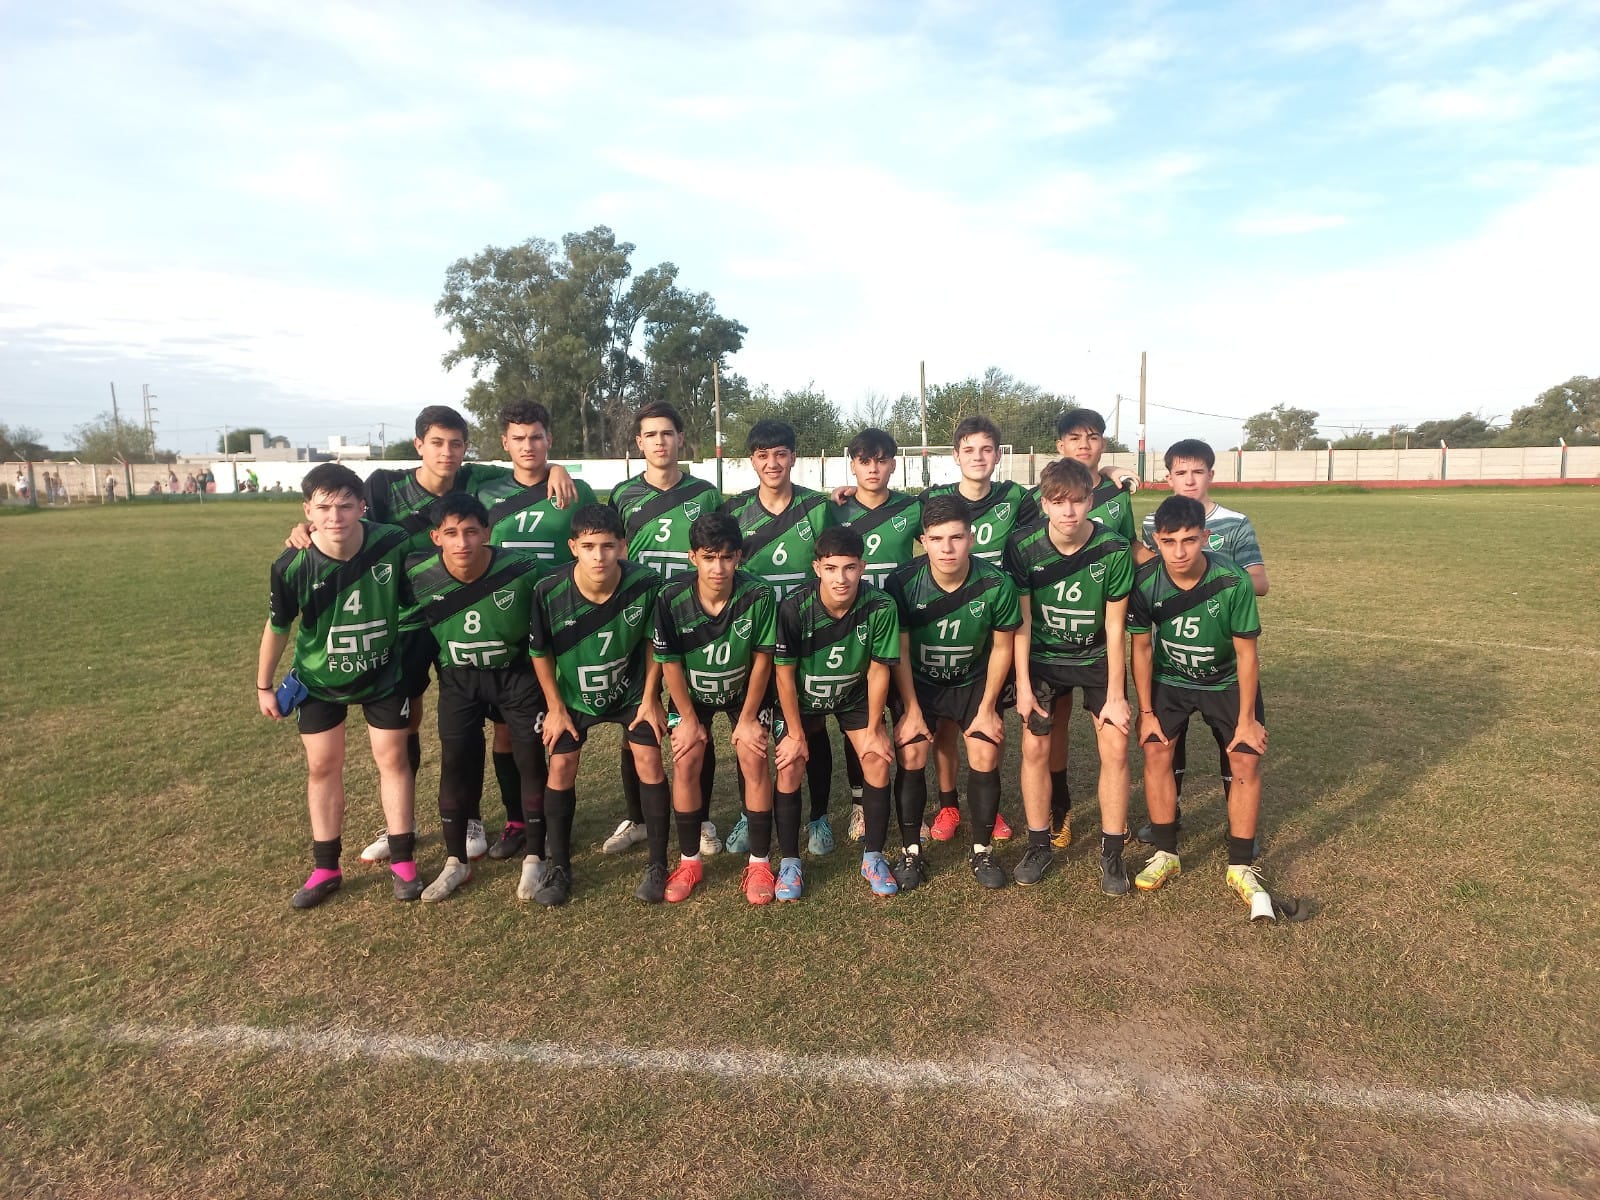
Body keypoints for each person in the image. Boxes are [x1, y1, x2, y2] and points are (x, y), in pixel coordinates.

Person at [284, 405, 573, 868]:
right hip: (406, 621)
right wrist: (305, 527)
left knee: (491, 718)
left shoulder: (474, 480)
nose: (447, 453)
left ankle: (478, 819)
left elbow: (526, 461)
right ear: (419, 445)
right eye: (437, 443)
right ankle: (402, 824)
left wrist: (556, 466)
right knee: (407, 722)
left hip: (465, 614)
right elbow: (343, 513)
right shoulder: (382, 486)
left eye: (456, 444)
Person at [255, 463, 419, 907]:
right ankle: (326, 868)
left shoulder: (393, 543)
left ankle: (403, 863)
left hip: (383, 674)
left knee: (393, 759)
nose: (335, 516)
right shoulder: (291, 564)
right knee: (322, 767)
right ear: (307, 509)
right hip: (319, 680)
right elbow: (278, 626)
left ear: (361, 506)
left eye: (345, 505)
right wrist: (263, 685)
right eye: (324, 507)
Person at [1128, 495, 1273, 920]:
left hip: (1225, 681)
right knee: (1156, 750)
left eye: (1189, 540)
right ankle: (1165, 852)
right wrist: (1147, 711)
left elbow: (1248, 655)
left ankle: (1241, 865)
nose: (1179, 552)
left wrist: (1247, 720)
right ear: (1156, 540)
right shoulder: (1145, 581)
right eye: (1169, 541)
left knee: (1245, 761)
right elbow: (1140, 649)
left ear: (1206, 538)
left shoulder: (1233, 582)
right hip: (1170, 681)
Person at [397, 494, 547, 903]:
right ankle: (455, 861)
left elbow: (573, 584)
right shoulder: (417, 574)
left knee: (530, 758)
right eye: (451, 533)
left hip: (516, 677)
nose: (461, 542)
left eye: (470, 532)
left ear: (487, 532)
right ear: (435, 537)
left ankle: (536, 853)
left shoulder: (523, 569)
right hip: (459, 680)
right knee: (455, 763)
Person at [469, 400, 597, 865]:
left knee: (565, 726)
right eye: (518, 438)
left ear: (549, 439)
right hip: (507, 628)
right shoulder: (485, 491)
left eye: (537, 437)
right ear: (504, 442)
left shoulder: (576, 489)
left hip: (565, 628)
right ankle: (520, 820)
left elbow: (602, 540)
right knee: (509, 733)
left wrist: (560, 470)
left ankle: (560, 818)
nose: (528, 446)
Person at [1006, 457, 1135, 893]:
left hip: (1096, 657)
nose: (1069, 512)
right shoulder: (1023, 546)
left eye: (1077, 502)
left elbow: (1116, 627)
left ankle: (1112, 851)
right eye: (1059, 503)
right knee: (1035, 746)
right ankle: (1039, 844)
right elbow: (1021, 622)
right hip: (1043, 659)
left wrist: (1117, 694)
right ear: (1043, 504)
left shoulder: (1114, 549)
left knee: (1115, 745)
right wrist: (1023, 686)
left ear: (1091, 501)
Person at [530, 504, 668, 905]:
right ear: (573, 546)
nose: (598, 556)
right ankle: (560, 867)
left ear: (622, 546)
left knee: (650, 759)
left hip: (629, 693)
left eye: (608, 546)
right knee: (561, 763)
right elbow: (541, 653)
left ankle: (657, 864)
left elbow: (653, 643)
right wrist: (555, 708)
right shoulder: (549, 590)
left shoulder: (646, 583)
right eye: (588, 546)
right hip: (573, 694)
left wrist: (650, 698)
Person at [1134, 438, 1270, 843]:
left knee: (1236, 747)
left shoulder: (1235, 523)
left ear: (1211, 474)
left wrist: (1223, 580)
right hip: (1173, 655)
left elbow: (1258, 580)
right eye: (1181, 472)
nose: (1189, 479)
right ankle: (1166, 818)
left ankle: (1239, 829)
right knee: (1163, 744)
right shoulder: (1150, 523)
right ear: (1169, 477)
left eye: (1197, 472)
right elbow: (1145, 569)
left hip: (1221, 641)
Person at [606, 402, 725, 859]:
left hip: (689, 620)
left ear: (680, 439)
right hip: (634, 618)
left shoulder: (705, 494)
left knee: (697, 722)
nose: (659, 441)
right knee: (637, 716)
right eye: (650, 434)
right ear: (639, 442)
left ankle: (704, 818)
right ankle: (636, 819)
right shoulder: (622, 495)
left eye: (667, 433)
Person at [884, 494, 1021, 890]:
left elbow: (1002, 647)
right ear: (923, 541)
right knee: (911, 749)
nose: (948, 548)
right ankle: (911, 852)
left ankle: (982, 852)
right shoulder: (903, 582)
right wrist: (910, 709)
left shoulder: (996, 583)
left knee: (985, 745)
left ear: (971, 538)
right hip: (923, 683)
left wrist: (988, 707)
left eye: (956, 537)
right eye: (937, 539)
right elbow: (902, 651)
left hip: (972, 682)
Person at [771, 525, 908, 900]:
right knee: (790, 763)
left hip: (853, 696)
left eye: (849, 568)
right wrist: (795, 734)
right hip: (801, 699)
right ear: (817, 568)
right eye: (831, 568)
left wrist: (877, 726)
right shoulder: (794, 607)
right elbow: (782, 676)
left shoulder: (880, 606)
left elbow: (880, 668)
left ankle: (873, 856)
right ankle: (789, 863)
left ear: (862, 567)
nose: (841, 578)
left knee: (877, 758)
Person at [919, 415, 1039, 842]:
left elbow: (1070, 493)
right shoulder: (933, 498)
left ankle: (990, 806)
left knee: (989, 723)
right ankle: (949, 804)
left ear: (998, 455)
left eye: (986, 449)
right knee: (946, 727)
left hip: (995, 623)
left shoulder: (1017, 498)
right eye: (969, 449)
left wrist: (1107, 472)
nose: (978, 457)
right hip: (948, 621)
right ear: (955, 455)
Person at [721, 419, 838, 855]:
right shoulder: (734, 511)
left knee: (810, 726)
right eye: (762, 454)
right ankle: (750, 816)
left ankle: (819, 817)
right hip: (750, 639)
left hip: (806, 636)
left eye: (781, 453)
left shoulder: (819, 507)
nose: (772, 462)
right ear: (752, 459)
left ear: (793, 456)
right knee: (749, 730)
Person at [652, 513, 778, 904]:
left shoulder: (759, 595)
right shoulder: (671, 597)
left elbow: (762, 659)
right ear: (693, 558)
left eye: (726, 557)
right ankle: (690, 861)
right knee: (686, 757)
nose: (718, 567)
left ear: (738, 556)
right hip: (693, 694)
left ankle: (760, 862)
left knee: (753, 754)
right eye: (709, 557)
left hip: (746, 692)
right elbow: (669, 661)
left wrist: (746, 720)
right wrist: (688, 719)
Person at [1036, 407, 1137, 847]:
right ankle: (1060, 808)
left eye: (1093, 437)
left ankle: (1115, 825)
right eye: (1075, 437)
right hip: (1052, 636)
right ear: (1060, 445)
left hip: (1102, 629)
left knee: (1114, 736)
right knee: (1053, 726)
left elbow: (1132, 549)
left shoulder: (1117, 495)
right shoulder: (1044, 495)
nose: (1084, 444)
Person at [829, 427, 922, 843]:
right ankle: (860, 804)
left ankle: (909, 804)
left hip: (900, 629)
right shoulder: (835, 511)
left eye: (881, 460)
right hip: (852, 630)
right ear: (853, 464)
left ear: (893, 464)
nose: (873, 468)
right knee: (860, 718)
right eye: (865, 460)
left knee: (903, 717)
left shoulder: (912, 507)